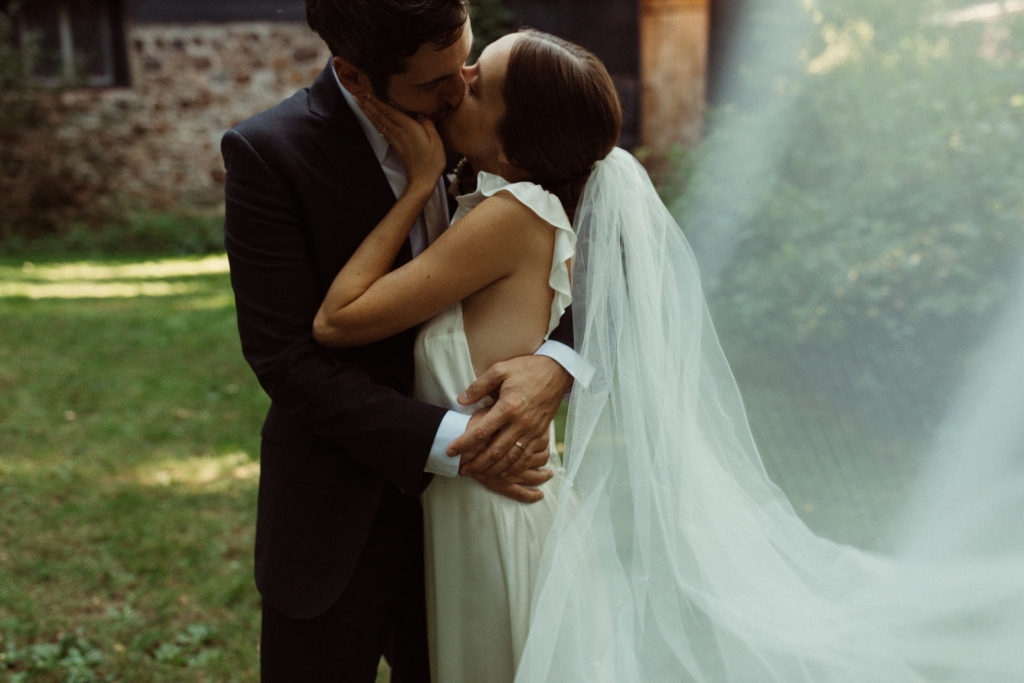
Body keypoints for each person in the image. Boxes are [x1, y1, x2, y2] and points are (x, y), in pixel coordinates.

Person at [314, 27, 1024, 683]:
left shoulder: (511, 215)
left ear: (516, 139)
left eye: (478, 84)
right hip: (477, 505)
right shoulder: (501, 203)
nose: (458, 81)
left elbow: (340, 319)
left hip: (495, 519)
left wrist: (415, 183)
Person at [221, 2, 588, 679]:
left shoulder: (497, 125)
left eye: (466, 63)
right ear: (354, 76)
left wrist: (556, 363)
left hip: (480, 523)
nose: (458, 89)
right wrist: (463, 445)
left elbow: (592, 259)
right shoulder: (270, 155)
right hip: (335, 513)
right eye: (433, 84)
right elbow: (288, 360)